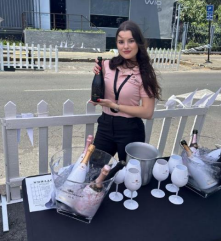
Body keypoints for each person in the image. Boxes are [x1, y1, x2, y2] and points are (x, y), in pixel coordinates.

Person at [91, 20, 161, 161]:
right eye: (121, 42)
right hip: (105, 125)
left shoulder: (145, 72)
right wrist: (96, 94)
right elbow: (99, 91)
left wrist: (115, 106)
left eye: (131, 41)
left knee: (130, 173)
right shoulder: (106, 65)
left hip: (130, 129)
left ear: (138, 43)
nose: (126, 46)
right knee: (94, 168)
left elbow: (147, 112)